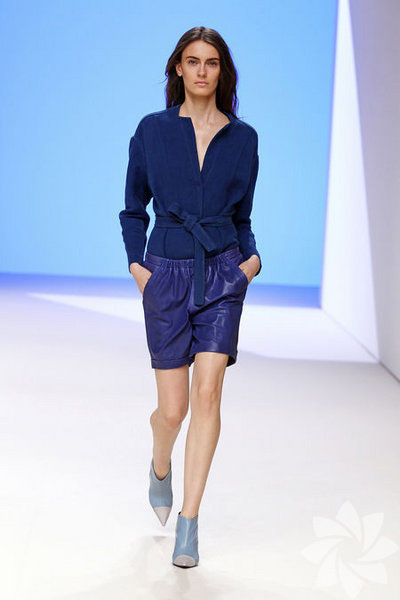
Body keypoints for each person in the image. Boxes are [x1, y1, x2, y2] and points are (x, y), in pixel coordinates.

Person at [118, 26, 262, 568]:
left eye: (212, 62)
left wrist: (250, 262)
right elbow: (133, 207)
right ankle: (160, 464)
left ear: (222, 71)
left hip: (223, 273)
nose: (202, 71)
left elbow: (243, 217)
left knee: (207, 396)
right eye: (193, 61)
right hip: (167, 273)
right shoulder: (152, 130)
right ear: (178, 68)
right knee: (173, 409)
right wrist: (138, 267)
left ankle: (189, 522)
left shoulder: (243, 138)